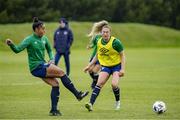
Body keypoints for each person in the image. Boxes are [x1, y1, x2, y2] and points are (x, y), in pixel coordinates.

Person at [6, 17, 88, 116]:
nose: (44, 30)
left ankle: (53, 110)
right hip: (36, 67)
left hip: (42, 65)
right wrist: (11, 45)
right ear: (36, 29)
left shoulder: (44, 38)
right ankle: (77, 94)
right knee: (62, 72)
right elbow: (17, 50)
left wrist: (52, 58)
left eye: (44, 28)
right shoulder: (29, 39)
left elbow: (49, 49)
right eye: (42, 28)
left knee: (55, 85)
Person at [84, 24, 125, 111]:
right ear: (101, 33)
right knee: (99, 84)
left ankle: (118, 102)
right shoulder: (99, 42)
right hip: (106, 66)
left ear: (110, 33)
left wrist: (122, 69)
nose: (105, 34)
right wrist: (89, 65)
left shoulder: (116, 42)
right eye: (103, 32)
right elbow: (97, 55)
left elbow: (122, 55)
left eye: (107, 32)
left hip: (116, 66)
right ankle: (90, 104)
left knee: (114, 85)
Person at [86, 20, 108, 89]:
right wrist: (90, 46)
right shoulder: (96, 36)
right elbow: (94, 44)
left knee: (95, 71)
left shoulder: (106, 36)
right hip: (94, 55)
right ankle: (97, 80)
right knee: (90, 70)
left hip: (101, 56)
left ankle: (95, 83)